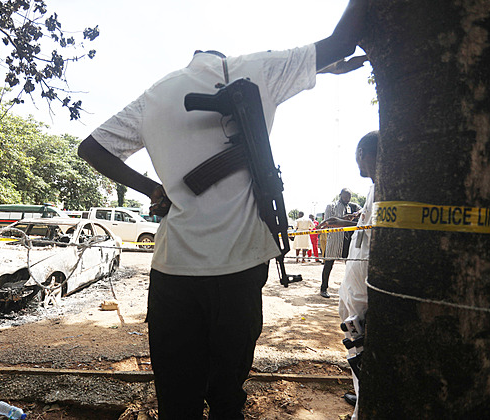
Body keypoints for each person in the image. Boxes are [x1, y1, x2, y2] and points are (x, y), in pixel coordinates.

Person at [77, 1, 367, 417]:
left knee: (177, 398)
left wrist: (151, 188)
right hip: (240, 269)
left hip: (173, 272)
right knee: (228, 393)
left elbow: (92, 147)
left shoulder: (155, 94)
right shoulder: (262, 68)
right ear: (222, 62)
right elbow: (342, 41)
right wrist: (320, 67)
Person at [318, 131, 378, 419]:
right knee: (355, 346)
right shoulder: (375, 189)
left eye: (359, 156)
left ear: (366, 153)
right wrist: (341, 221)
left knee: (361, 345)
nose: (358, 164)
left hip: (364, 288)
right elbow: (364, 225)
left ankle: (361, 409)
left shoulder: (386, 189)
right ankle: (361, 393)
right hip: (355, 282)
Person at [317, 188, 361, 298]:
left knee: (350, 266)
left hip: (348, 241)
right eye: (345, 197)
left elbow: (363, 211)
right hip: (334, 239)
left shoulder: (353, 206)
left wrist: (357, 214)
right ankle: (323, 288)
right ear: (340, 195)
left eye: (349, 197)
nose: (347, 199)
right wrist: (343, 219)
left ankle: (350, 290)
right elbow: (328, 222)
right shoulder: (331, 206)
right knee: (328, 264)